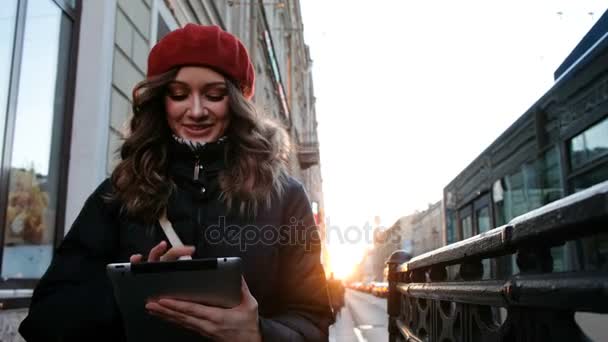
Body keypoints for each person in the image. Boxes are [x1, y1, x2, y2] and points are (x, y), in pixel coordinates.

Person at [19, 24, 332, 342]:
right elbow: (44, 320)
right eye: (179, 94)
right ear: (161, 101)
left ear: (236, 102)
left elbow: (313, 323)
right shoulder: (117, 193)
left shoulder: (286, 197)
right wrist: (131, 291)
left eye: (214, 95)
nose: (196, 111)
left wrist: (258, 334)